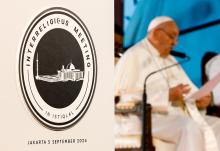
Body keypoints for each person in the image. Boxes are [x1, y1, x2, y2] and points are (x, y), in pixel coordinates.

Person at [115, 16, 220, 151]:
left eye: (177, 38)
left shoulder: (171, 59)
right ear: (156, 33)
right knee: (189, 127)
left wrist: (198, 100)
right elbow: (123, 97)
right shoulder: (134, 55)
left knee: (217, 125)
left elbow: (188, 91)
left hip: (176, 115)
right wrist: (167, 96)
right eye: (172, 36)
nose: (175, 42)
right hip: (144, 118)